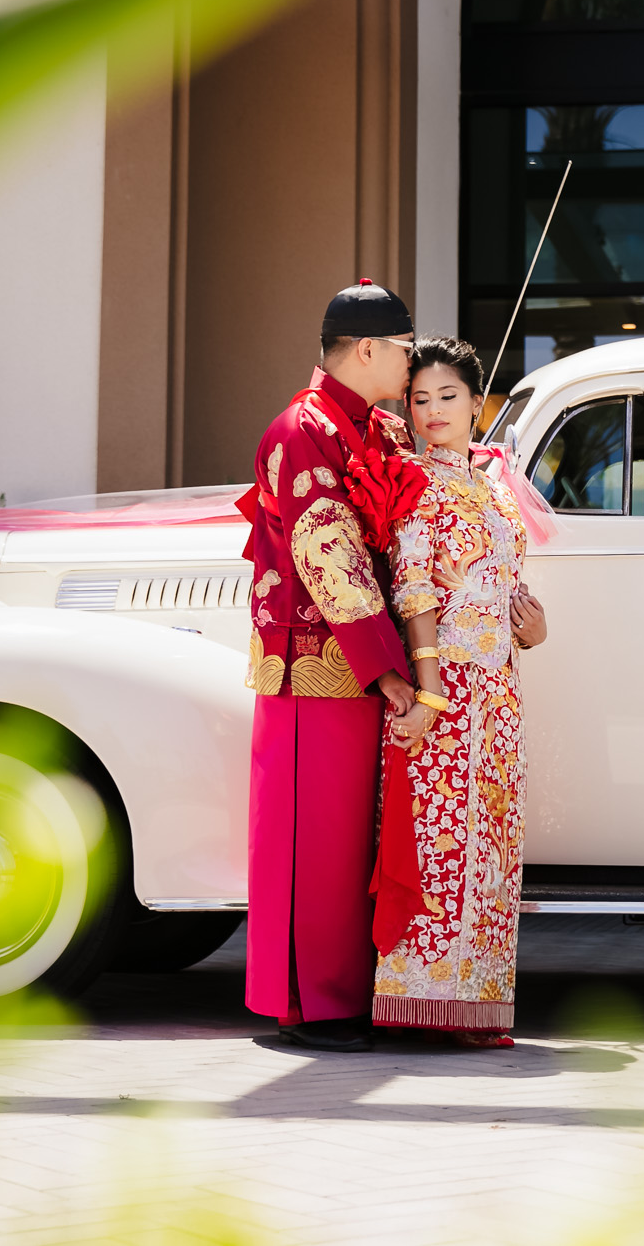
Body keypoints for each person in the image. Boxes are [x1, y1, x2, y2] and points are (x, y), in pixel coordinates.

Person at [240, 279, 427, 1052]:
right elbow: (330, 558)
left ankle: (341, 993)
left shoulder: (371, 428)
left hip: (357, 664)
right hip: (312, 670)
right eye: (407, 350)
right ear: (369, 349)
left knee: (350, 841)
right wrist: (393, 674)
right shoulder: (304, 427)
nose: (412, 366)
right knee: (310, 842)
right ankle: (306, 1003)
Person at [370, 335, 548, 1048]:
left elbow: (504, 591)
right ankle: (422, 1002)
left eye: (449, 396)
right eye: (420, 398)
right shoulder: (416, 482)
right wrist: (431, 692)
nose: (434, 409)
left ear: (479, 402)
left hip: (500, 693)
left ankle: (477, 1006)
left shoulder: (495, 489)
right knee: (441, 846)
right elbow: (412, 587)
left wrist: (533, 629)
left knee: (493, 851)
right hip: (446, 695)